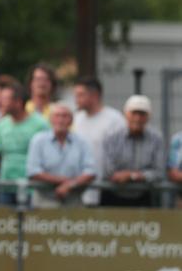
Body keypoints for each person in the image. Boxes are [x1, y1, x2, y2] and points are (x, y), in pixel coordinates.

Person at [26, 103, 95, 208]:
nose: (61, 120)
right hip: (44, 201)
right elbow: (33, 171)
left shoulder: (82, 142)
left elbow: (91, 171)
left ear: (71, 120)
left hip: (73, 201)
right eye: (57, 116)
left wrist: (69, 185)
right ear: (50, 119)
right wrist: (65, 181)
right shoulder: (38, 140)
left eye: (65, 116)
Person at [101, 95, 164, 208]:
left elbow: (159, 172)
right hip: (113, 196)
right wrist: (143, 175)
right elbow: (108, 171)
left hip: (144, 198)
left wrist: (132, 176)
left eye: (142, 114)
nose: (137, 118)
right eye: (134, 113)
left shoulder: (156, 138)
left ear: (148, 117)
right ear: (126, 114)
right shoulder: (111, 136)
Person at [0, 81, 50, 205]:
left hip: (31, 187)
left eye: (5, 99)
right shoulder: (1, 124)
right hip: (5, 186)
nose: (0, 102)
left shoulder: (40, 124)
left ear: (18, 102)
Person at [72, 77, 125, 206]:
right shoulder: (76, 119)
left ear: (94, 95)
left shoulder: (115, 119)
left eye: (80, 95)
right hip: (79, 189)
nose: (76, 99)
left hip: (107, 190)